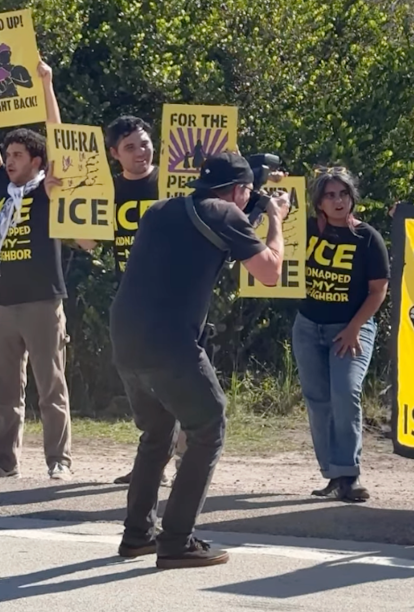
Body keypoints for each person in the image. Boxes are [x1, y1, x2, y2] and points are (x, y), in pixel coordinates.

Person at [111, 151, 289, 569]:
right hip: (171, 343)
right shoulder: (227, 214)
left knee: (156, 435)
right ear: (239, 190)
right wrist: (276, 218)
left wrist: (249, 216)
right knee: (210, 425)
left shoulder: (160, 210)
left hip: (126, 338)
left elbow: (195, 247)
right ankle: (176, 540)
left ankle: (137, 534)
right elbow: (270, 272)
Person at [0, 59, 95, 480]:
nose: (9, 161)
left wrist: (46, 83)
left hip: (42, 301)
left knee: (51, 388)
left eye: (18, 155)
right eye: (8, 155)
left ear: (36, 160)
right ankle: (5, 460)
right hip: (2, 303)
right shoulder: (3, 189)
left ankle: (58, 462)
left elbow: (60, 137)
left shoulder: (50, 189)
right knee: (6, 393)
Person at [293, 167, 389, 502]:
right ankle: (333, 475)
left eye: (343, 194)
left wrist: (354, 328)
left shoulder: (367, 238)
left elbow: (378, 291)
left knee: (345, 394)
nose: (337, 201)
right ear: (319, 201)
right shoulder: (305, 230)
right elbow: (266, 228)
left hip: (351, 329)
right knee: (318, 402)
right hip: (307, 327)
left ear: (352, 198)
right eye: (330, 195)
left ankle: (350, 475)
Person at [106, 115, 181, 487]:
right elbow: (85, 240)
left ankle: (183, 464)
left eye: (145, 143)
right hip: (130, 302)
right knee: (141, 387)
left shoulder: (170, 183)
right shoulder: (107, 189)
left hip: (173, 298)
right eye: (130, 147)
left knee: (176, 383)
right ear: (114, 153)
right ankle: (154, 462)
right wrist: (60, 194)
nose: (141, 152)